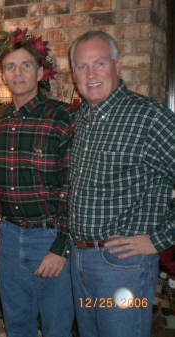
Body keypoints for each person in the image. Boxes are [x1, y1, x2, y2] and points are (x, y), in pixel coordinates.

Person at [68, 30, 175, 337]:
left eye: (99, 63)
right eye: (82, 66)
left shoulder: (149, 117)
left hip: (123, 267)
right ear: (73, 72)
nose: (90, 74)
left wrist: (158, 239)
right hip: (81, 261)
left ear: (116, 65)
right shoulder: (82, 119)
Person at [0, 39, 76, 337]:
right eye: (10, 67)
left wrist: (61, 247)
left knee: (56, 326)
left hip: (49, 236)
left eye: (26, 65)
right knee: (17, 325)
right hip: (10, 237)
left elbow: (72, 187)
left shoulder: (62, 116)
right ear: (3, 75)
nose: (18, 73)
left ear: (40, 73)